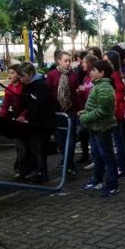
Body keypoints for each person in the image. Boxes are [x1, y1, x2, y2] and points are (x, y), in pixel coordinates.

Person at [79, 60, 119, 197]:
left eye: (94, 70)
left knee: (107, 157)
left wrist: (86, 117)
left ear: (102, 73)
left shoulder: (105, 88)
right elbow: (96, 107)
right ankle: (97, 180)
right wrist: (85, 113)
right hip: (95, 128)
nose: (91, 72)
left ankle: (112, 185)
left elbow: (103, 110)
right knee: (97, 156)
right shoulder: (98, 86)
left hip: (102, 128)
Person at [16, 62, 57, 183]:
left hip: (44, 122)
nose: (21, 79)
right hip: (35, 122)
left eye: (23, 76)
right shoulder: (27, 86)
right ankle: (34, 170)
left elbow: (41, 106)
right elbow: (26, 103)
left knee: (40, 148)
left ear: (30, 74)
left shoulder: (40, 86)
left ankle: (42, 173)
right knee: (33, 147)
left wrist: (29, 117)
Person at [45, 51, 80, 180]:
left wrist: (78, 109)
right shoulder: (52, 75)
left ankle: (68, 164)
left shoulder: (73, 75)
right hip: (56, 111)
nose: (68, 63)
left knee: (70, 138)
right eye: (65, 60)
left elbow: (75, 94)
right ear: (58, 61)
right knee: (60, 138)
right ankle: (68, 162)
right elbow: (47, 92)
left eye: (69, 60)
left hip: (70, 110)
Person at [0, 64, 28, 177]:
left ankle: (24, 167)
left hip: (26, 116)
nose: (9, 75)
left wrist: (24, 115)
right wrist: (0, 118)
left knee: (26, 144)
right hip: (17, 116)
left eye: (12, 73)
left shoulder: (24, 86)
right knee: (20, 145)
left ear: (19, 75)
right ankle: (20, 168)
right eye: (9, 73)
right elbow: (5, 106)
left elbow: (29, 105)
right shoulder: (9, 89)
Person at [104, 50, 125, 177]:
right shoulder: (115, 74)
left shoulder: (114, 75)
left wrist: (112, 100)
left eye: (106, 60)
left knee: (119, 140)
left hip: (116, 111)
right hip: (117, 110)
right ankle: (122, 165)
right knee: (119, 140)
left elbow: (119, 93)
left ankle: (122, 167)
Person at [77, 54, 99, 170]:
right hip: (87, 110)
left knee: (96, 139)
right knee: (92, 138)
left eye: (84, 62)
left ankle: (99, 162)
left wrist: (85, 89)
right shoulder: (86, 77)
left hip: (93, 112)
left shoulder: (94, 78)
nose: (82, 64)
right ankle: (95, 160)